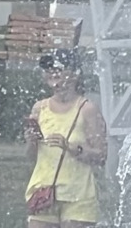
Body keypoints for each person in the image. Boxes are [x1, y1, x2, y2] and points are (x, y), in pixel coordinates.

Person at [22, 49, 107, 228]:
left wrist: (70, 147)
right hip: (44, 191)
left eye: (59, 68)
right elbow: (31, 157)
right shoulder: (39, 108)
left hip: (78, 194)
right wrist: (31, 142)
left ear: (74, 74)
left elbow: (101, 156)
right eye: (49, 69)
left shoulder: (87, 109)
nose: (53, 72)